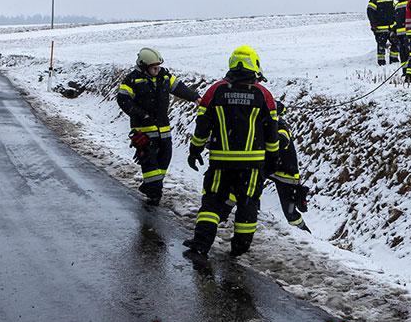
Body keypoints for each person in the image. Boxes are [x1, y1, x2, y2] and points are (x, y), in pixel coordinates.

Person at [183, 46, 280, 257]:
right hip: (252, 164)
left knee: (212, 201)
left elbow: (202, 127)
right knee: (248, 202)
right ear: (254, 65)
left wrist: (195, 149)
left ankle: (201, 243)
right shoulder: (264, 95)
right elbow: (272, 133)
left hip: (221, 162)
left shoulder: (215, 91)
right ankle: (240, 247)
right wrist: (273, 158)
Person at [116, 47, 200, 205]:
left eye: (158, 67)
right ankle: (154, 194)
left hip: (164, 129)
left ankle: (150, 187)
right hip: (144, 132)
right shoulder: (132, 80)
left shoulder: (164, 76)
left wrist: (195, 97)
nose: (157, 70)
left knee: (164, 160)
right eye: (154, 67)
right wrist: (141, 115)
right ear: (144, 66)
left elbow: (179, 88)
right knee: (150, 164)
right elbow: (123, 100)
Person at [267, 101, 310, 232]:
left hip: (287, 176)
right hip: (273, 171)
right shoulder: (267, 125)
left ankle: (306, 235)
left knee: (290, 214)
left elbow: (281, 142)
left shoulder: (280, 128)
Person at [366, 0, 395, 66]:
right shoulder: (373, 1)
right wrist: (373, 23)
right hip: (380, 29)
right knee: (381, 46)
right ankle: (381, 62)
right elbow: (370, 13)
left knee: (395, 44)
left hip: (391, 28)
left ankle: (394, 60)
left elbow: (394, 11)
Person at [390, 0, 410, 66]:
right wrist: (393, 30)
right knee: (403, 57)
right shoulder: (397, 5)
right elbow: (397, 20)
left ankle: (410, 72)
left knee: (410, 56)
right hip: (400, 36)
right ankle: (405, 71)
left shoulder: (410, 1)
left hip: (408, 34)